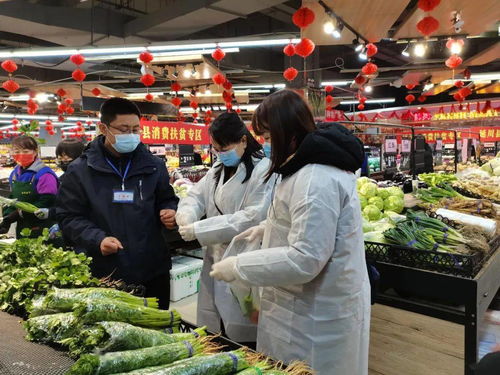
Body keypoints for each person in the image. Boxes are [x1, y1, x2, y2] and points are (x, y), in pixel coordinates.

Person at [210, 90, 370, 375]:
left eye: (269, 137)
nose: (266, 145)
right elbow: (306, 225)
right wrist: (266, 228)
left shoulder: (315, 178)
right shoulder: (301, 167)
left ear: (288, 132)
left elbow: (305, 259)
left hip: (317, 316)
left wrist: (240, 266)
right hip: (302, 306)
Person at [55, 98, 178, 309]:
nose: (131, 135)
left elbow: (167, 198)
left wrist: (170, 211)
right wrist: (97, 239)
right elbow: (69, 217)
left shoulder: (154, 165)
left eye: (135, 129)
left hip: (152, 266)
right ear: (103, 128)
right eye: (124, 129)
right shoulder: (80, 171)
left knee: (160, 328)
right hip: (107, 271)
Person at [175, 112, 275, 343]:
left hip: (244, 254)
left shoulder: (262, 170)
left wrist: (200, 230)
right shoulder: (217, 168)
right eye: (215, 148)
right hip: (215, 253)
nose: (220, 154)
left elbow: (251, 217)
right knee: (214, 322)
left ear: (243, 140)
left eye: (224, 148)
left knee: (244, 321)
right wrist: (186, 214)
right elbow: (196, 195)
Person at [0, 135, 58, 237]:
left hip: (44, 227)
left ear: (35, 152)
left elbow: (47, 201)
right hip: (23, 227)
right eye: (17, 151)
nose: (21, 154)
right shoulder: (15, 174)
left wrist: (19, 214)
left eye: (26, 151)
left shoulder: (44, 174)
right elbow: (13, 199)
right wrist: (7, 218)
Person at [34, 139, 85, 221]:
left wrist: (52, 213)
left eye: (66, 156)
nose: (62, 160)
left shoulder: (85, 179)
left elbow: (78, 208)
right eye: (60, 156)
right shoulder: (63, 178)